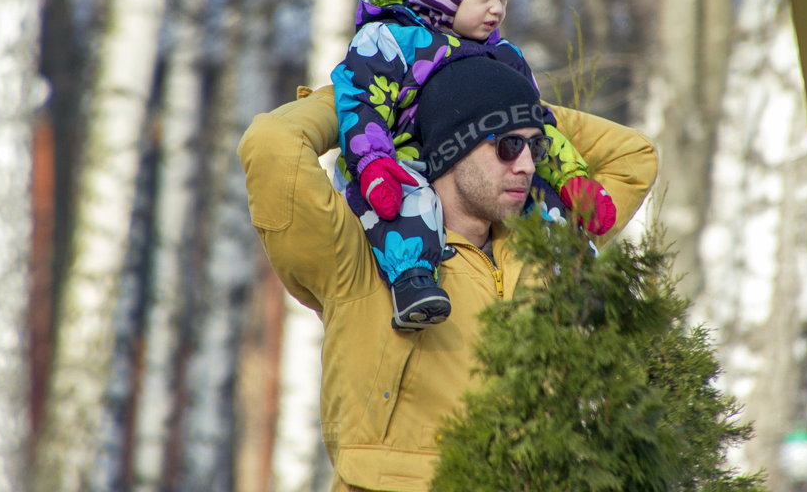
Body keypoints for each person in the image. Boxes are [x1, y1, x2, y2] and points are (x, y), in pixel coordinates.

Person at [236, 55, 657, 492]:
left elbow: (634, 156)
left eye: (537, 147)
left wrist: (520, 103)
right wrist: (389, 104)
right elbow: (272, 142)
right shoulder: (358, 256)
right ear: (452, 144)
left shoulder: (548, 244)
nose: (528, 166)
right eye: (508, 146)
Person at [330, 0, 616, 330]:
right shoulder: (393, 40)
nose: (496, 9)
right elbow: (360, 101)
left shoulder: (505, 57)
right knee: (410, 201)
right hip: (397, 164)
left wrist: (570, 177)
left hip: (483, 167)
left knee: (547, 207)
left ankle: (585, 285)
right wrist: (372, 162)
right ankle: (413, 283)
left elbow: (539, 125)